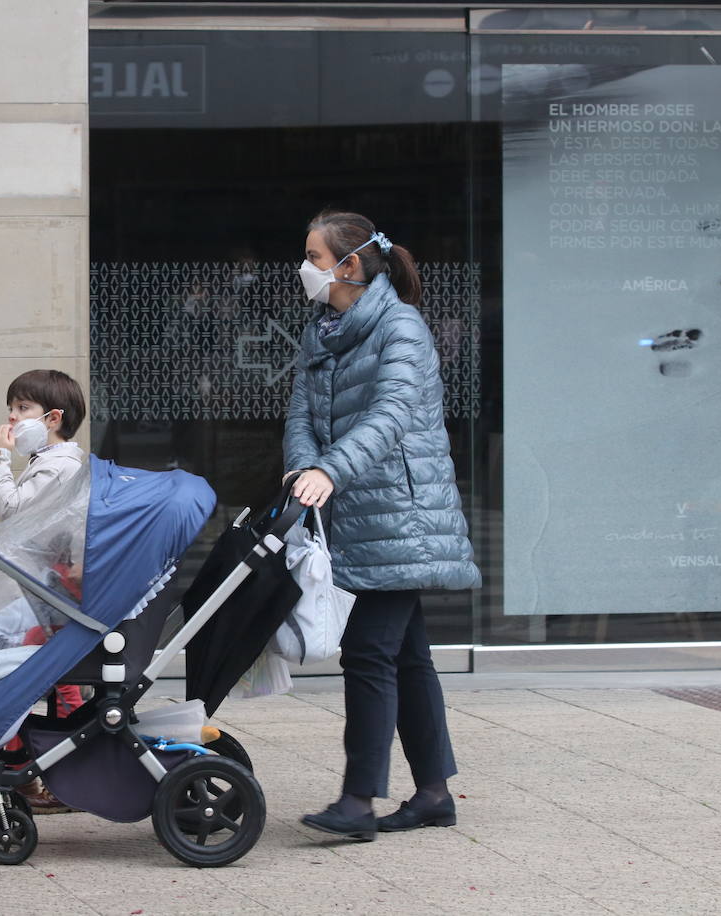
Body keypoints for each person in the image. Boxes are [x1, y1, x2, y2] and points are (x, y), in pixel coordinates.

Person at [284, 211, 480, 842]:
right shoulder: (324, 328)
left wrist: (332, 471)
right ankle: (432, 794)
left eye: (313, 256)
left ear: (348, 265)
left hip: (402, 513)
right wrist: (302, 470)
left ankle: (358, 801)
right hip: (355, 509)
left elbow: (394, 412)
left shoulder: (402, 326)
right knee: (409, 657)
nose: (305, 267)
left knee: (369, 650)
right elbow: (300, 414)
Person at [0, 369, 88, 814]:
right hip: (45, 594)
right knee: (38, 676)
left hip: (54, 595)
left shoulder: (61, 465)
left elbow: (13, 512)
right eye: (11, 408)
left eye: (23, 409)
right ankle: (23, 764)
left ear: (52, 418)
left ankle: (34, 770)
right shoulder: (50, 462)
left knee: (21, 675)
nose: (12, 419)